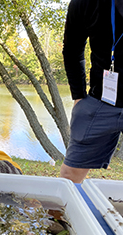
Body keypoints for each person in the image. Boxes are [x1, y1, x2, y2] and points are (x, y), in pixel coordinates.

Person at [60, 0, 123, 183]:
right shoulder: (83, 3)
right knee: (68, 178)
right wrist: (78, 96)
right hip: (99, 102)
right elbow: (72, 50)